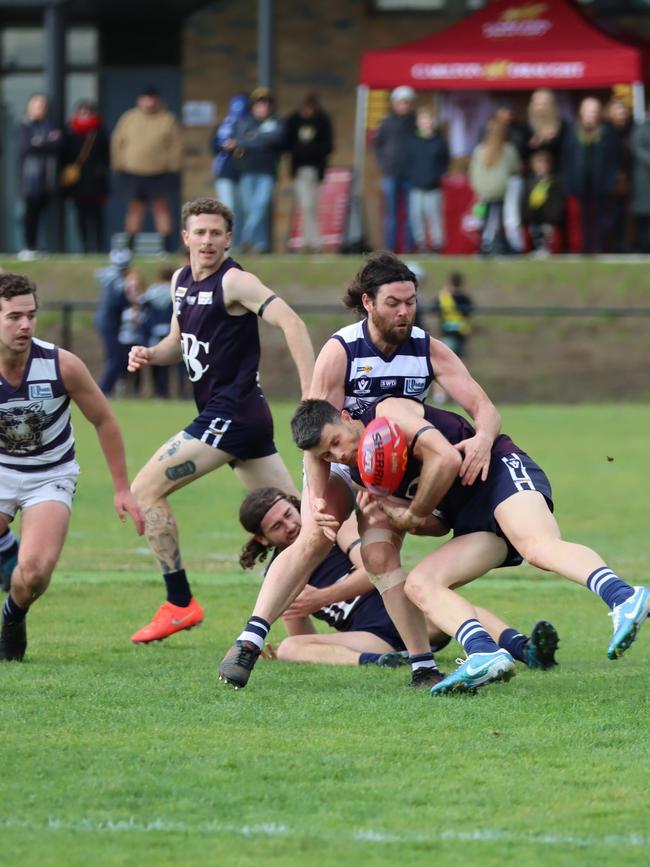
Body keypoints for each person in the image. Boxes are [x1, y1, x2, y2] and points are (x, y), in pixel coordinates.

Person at [219, 251, 501, 690]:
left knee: (380, 557)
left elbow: (483, 406)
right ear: (368, 302)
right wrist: (315, 497)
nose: (404, 310)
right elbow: (314, 433)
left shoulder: (427, 347)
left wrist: (483, 438)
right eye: (393, 302)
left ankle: (422, 666)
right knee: (314, 536)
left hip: (394, 475)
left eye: (409, 301)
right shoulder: (341, 350)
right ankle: (250, 639)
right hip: (340, 461)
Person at [291, 397, 650, 695]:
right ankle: (483, 653)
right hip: (470, 520)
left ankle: (622, 595)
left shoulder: (388, 413)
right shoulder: (362, 474)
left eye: (335, 442)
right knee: (419, 585)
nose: (337, 455)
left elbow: (447, 458)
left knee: (537, 547)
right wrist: (396, 512)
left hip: (497, 476)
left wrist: (410, 514)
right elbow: (439, 524)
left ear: (346, 416)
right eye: (326, 456)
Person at [127, 197, 314, 645]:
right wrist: (152, 354)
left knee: (144, 492)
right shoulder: (179, 280)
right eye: (200, 232)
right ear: (186, 237)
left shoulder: (235, 281)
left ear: (228, 239)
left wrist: (313, 397)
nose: (208, 241)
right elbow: (179, 340)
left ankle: (179, 603)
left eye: (217, 233)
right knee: (303, 527)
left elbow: (292, 323)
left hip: (230, 417)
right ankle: (333, 622)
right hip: (241, 421)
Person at [238, 486, 559, 674]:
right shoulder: (280, 574)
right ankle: (383, 663)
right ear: (264, 539)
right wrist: (302, 638)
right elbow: (302, 631)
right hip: (370, 637)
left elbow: (374, 570)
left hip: (402, 610)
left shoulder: (335, 529)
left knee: (455, 607)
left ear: (296, 507)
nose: (289, 525)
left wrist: (324, 597)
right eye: (276, 526)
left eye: (288, 514)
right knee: (291, 647)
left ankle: (525, 649)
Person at [0, 272, 144, 661]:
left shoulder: (62, 365)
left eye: (30, 314)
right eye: (14, 316)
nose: (25, 324)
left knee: (33, 575)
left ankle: (14, 613)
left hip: (50, 474)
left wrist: (122, 488)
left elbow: (104, 420)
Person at [110, 87, 182, 254]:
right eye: (146, 98)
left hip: (159, 172)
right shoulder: (129, 118)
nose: (149, 102)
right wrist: (118, 163)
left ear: (158, 100)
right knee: (135, 208)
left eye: (152, 98)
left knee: (161, 208)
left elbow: (176, 144)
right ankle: (130, 246)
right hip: (132, 171)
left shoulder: (167, 119)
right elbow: (117, 141)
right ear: (140, 100)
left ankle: (166, 247)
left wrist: (172, 165)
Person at [561, 97, 621, 255]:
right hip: (579, 182)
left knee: (600, 218)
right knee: (581, 218)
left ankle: (599, 247)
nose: (591, 114)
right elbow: (566, 160)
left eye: (594, 110)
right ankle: (583, 247)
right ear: (581, 112)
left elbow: (614, 159)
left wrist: (611, 182)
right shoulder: (572, 132)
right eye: (588, 110)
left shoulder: (607, 132)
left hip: (600, 183)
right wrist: (568, 183)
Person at [233, 88, 285, 253]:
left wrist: (254, 138)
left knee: (260, 206)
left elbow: (277, 138)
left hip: (268, 172)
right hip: (247, 171)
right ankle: (260, 245)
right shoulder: (245, 122)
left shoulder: (277, 121)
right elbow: (241, 141)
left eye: (266, 104)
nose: (263, 107)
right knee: (250, 209)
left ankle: (246, 239)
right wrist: (260, 138)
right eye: (259, 104)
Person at [284, 93, 334, 253]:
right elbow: (287, 143)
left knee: (312, 206)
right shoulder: (293, 121)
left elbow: (329, 145)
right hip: (299, 170)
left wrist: (311, 151)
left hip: (316, 170)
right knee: (306, 205)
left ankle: (311, 240)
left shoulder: (322, 121)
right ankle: (312, 240)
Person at [16, 93, 63, 260]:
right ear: (30, 107)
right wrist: (46, 142)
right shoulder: (24, 127)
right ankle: (29, 247)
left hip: (47, 180)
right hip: (30, 181)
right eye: (37, 105)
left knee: (44, 215)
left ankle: (42, 247)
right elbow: (27, 146)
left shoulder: (49, 125)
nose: (40, 109)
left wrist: (40, 142)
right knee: (30, 215)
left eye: (43, 106)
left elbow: (57, 145)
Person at [61, 98, 110, 253]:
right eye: (82, 111)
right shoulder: (70, 131)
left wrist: (101, 172)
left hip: (96, 181)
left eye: (88, 111)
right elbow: (64, 156)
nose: (84, 114)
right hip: (78, 181)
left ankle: (98, 246)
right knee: (81, 216)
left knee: (97, 216)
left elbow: (106, 156)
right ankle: (84, 246)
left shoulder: (100, 132)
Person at [469, 118, 521, 256]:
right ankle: (501, 246)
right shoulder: (508, 150)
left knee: (487, 220)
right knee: (502, 220)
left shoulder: (479, 150)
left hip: (483, 192)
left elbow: (473, 173)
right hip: (501, 192)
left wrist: (478, 189)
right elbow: (514, 169)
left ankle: (486, 246)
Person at [374, 86, 417, 253]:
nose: (403, 106)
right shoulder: (386, 123)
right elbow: (378, 146)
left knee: (410, 214)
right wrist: (384, 164)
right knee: (390, 214)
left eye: (406, 102)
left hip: (410, 174)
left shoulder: (415, 122)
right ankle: (390, 248)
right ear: (394, 103)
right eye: (400, 102)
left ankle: (408, 247)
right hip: (391, 173)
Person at [406, 107, 449, 254]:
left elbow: (445, 162)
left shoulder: (439, 142)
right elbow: (408, 162)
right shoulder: (413, 142)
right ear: (418, 122)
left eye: (429, 119)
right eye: (423, 119)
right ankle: (421, 244)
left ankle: (437, 245)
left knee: (434, 216)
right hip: (416, 187)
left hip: (433, 187)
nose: (426, 123)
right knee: (416, 216)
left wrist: (436, 176)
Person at [211, 93, 249, 251]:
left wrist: (239, 144)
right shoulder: (223, 125)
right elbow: (213, 146)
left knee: (243, 210)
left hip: (245, 173)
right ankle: (227, 245)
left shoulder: (249, 125)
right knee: (228, 209)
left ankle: (239, 243)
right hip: (225, 173)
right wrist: (225, 146)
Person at [94, 247, 132, 396]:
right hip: (109, 324)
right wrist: (128, 301)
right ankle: (103, 390)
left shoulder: (109, 277)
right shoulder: (117, 280)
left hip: (107, 323)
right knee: (115, 359)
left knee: (116, 358)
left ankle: (110, 389)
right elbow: (115, 303)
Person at [521, 150, 565, 257]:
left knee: (547, 232)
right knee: (534, 232)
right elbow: (526, 201)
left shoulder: (554, 182)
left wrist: (551, 217)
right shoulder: (529, 182)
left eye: (544, 163)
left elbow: (556, 203)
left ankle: (547, 249)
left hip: (548, 219)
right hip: (533, 218)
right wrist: (527, 216)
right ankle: (537, 248)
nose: (541, 166)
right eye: (538, 163)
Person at [631, 109, 650, 253]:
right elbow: (637, 148)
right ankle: (643, 247)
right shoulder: (641, 128)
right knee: (643, 214)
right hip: (644, 179)